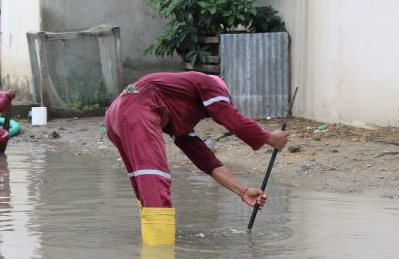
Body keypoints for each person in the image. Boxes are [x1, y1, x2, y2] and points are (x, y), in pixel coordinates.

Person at [104, 71, 289, 246]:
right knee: (154, 179)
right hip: (138, 106)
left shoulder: (177, 107)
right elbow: (230, 117)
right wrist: (270, 138)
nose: (206, 115)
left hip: (116, 113)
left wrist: (243, 191)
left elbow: (206, 160)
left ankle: (151, 246)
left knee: (143, 182)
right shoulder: (210, 83)